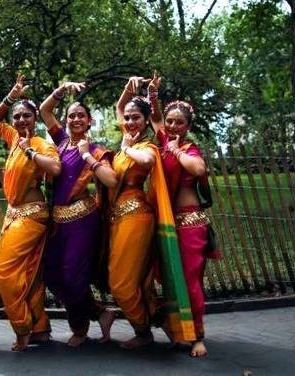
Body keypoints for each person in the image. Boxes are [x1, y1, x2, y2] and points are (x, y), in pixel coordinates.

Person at [107, 77, 196, 349]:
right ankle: (147, 328)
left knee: (121, 283)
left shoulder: (144, 145)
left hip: (137, 215)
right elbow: (119, 107)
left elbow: (147, 161)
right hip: (118, 216)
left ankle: (150, 324)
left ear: (146, 120)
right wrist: (128, 89)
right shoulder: (128, 136)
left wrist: (127, 149)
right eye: (128, 118)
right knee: (134, 280)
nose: (130, 121)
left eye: (136, 118)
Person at [147, 73, 222, 357]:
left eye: (180, 122)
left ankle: (197, 335)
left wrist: (177, 153)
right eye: (170, 121)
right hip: (166, 223)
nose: (173, 126)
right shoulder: (163, 139)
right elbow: (154, 117)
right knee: (170, 280)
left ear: (188, 126)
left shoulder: (188, 148)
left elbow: (199, 170)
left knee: (190, 282)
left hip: (190, 223)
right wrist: (153, 95)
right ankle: (180, 332)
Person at [39, 81, 117, 347]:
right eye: (71, 115)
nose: (75, 119)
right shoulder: (60, 142)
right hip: (58, 222)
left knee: (73, 275)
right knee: (50, 272)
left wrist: (87, 157)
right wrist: (60, 89)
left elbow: (110, 180)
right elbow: (44, 110)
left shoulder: (95, 150)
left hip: (83, 221)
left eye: (81, 115)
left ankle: (80, 328)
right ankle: (99, 311)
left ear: (90, 121)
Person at [0, 74, 62, 351]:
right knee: (29, 272)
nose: (20, 120)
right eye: (16, 116)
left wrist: (29, 151)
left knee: (2, 271)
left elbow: (55, 169)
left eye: (26, 116)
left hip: (32, 216)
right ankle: (40, 327)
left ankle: (22, 327)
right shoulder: (13, 137)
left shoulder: (40, 143)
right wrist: (11, 95)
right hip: (14, 214)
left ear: (35, 119)